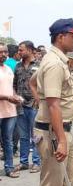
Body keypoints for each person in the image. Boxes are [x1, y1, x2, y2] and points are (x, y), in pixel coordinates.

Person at [34, 18, 73, 186]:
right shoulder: (54, 63)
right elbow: (53, 105)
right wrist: (62, 141)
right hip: (54, 134)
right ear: (60, 37)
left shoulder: (58, 60)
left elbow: (32, 82)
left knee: (70, 183)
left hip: (62, 130)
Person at [14, 41, 41, 173]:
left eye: (21, 50)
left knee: (35, 135)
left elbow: (43, 84)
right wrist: (15, 97)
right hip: (20, 106)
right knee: (23, 136)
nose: (19, 52)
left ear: (30, 50)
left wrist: (40, 100)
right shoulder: (18, 66)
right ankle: (24, 162)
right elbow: (14, 85)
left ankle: (36, 162)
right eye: (19, 50)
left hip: (35, 106)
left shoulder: (39, 65)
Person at [0, 43, 22, 178]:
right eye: (0, 52)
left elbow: (10, 87)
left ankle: (9, 168)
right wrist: (8, 98)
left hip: (10, 111)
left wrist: (15, 96)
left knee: (8, 141)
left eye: (5, 52)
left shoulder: (8, 69)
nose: (3, 54)